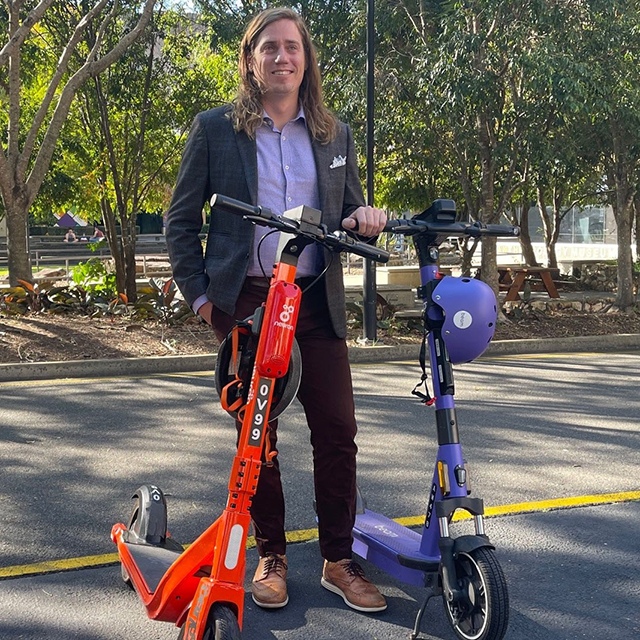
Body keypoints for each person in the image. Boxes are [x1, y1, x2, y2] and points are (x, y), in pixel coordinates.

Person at [165, 7, 387, 614]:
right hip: (249, 303)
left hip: (314, 302)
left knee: (338, 431)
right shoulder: (215, 129)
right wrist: (205, 300)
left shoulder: (333, 134)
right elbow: (180, 221)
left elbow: (353, 215)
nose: (283, 57)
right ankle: (272, 555)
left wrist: (367, 218)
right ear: (251, 58)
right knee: (256, 438)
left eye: (293, 47)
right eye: (271, 47)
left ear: (306, 59)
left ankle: (338, 561)